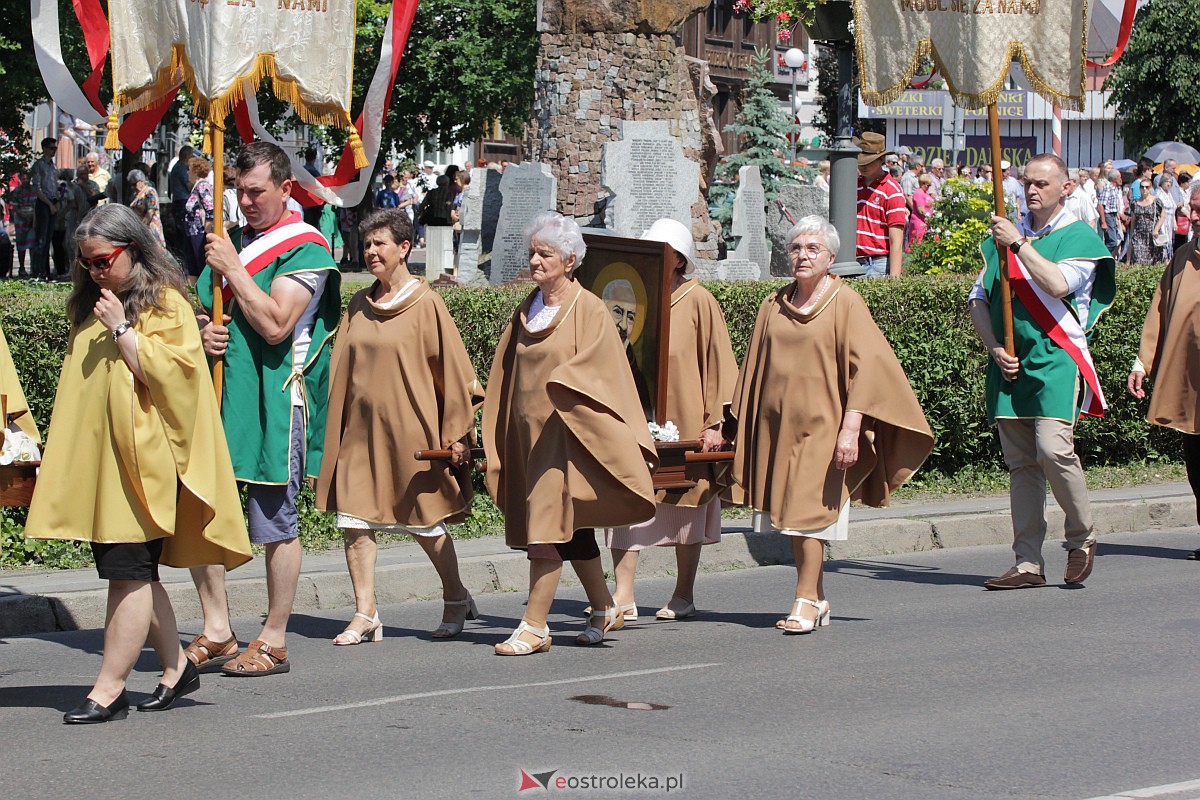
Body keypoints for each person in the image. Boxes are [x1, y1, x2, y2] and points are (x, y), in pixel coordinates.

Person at [24, 204, 251, 723]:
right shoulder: (93, 305)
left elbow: (177, 380)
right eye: (86, 263)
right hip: (106, 470)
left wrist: (124, 329)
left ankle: (109, 688)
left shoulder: (165, 304)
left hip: (145, 469)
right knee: (138, 575)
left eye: (103, 260)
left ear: (134, 250)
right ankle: (176, 668)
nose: (95, 271)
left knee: (126, 575)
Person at [725, 215, 933, 632]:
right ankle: (818, 598)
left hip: (824, 427)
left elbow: (869, 370)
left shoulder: (845, 302)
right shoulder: (773, 303)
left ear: (831, 257)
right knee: (790, 517)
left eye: (812, 249)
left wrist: (851, 429)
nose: (802, 256)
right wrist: (734, 425)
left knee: (807, 515)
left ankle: (803, 600)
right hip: (778, 428)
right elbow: (753, 369)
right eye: (797, 248)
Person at [191, 141, 341, 676]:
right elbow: (211, 315)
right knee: (202, 508)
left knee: (273, 518)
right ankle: (217, 628)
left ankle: (274, 637)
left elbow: (277, 323)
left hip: (276, 400)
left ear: (284, 188)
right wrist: (203, 333)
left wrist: (231, 265)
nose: (246, 201)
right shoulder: (237, 244)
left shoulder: (306, 247)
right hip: (224, 396)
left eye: (256, 191)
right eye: (239, 191)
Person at [483, 210, 657, 655]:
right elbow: (509, 370)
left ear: (571, 260)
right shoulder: (529, 308)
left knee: (545, 527)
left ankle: (535, 626)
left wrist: (564, 387)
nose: (536, 262)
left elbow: (601, 370)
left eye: (546, 254)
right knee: (571, 529)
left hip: (567, 437)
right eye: (533, 254)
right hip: (530, 437)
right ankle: (603, 607)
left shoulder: (590, 309)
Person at [316, 209, 484, 644]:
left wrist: (455, 434)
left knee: (425, 523)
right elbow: (342, 369)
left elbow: (452, 370)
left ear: (404, 248)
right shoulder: (358, 304)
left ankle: (455, 596)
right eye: (367, 244)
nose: (371, 251)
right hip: (361, 434)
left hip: (412, 435)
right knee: (353, 521)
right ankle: (365, 612)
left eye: (380, 244)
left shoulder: (426, 303)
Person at [969, 154, 1116, 589]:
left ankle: (1082, 537)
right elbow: (979, 299)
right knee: (1021, 465)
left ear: (1065, 187)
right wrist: (994, 347)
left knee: (1053, 450)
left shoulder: (1079, 237)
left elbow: (1056, 284)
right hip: (1010, 363)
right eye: (1026, 182)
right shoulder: (1000, 238)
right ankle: (1028, 562)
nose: (1031, 191)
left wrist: (1017, 244)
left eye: (1042, 184)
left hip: (1056, 358)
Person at [603, 219, 737, 621]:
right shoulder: (633, 300)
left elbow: (719, 365)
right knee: (627, 501)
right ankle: (623, 593)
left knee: (685, 503)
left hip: (686, 418)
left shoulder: (699, 301)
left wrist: (714, 424)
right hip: (635, 419)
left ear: (677, 259)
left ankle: (683, 593)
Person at [1128, 183, 1200, 560]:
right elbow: (1159, 312)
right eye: (1194, 207)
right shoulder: (1183, 258)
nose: (1196, 215)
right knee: (1196, 465)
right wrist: (1143, 361)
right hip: (1190, 384)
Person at [854, 132, 907, 278]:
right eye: (861, 160)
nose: (863, 165)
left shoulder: (892, 190)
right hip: (854, 261)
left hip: (877, 264)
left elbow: (896, 240)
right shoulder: (853, 184)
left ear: (881, 160)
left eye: (868, 161)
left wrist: (894, 279)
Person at [182, 157, 215, 285]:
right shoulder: (197, 187)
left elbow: (210, 207)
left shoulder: (202, 186)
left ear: (195, 171)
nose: (187, 173)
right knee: (192, 266)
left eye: (189, 170)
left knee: (200, 265)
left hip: (199, 233)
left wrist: (208, 225)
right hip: (192, 232)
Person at [30, 137, 59, 279]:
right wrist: (49, 204)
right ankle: (38, 271)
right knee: (41, 239)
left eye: (55, 148)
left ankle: (46, 271)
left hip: (52, 202)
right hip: (44, 204)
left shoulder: (53, 166)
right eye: (51, 148)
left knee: (48, 239)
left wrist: (56, 201)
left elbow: (54, 186)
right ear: (44, 149)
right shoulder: (39, 165)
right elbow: (37, 189)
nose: (54, 151)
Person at [1127, 175, 1165, 265]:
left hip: (1152, 234)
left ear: (1150, 188)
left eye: (1147, 187)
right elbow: (1133, 219)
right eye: (1142, 187)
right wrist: (1132, 234)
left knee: (1152, 261)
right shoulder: (1135, 203)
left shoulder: (1156, 201)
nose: (1144, 189)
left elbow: (1163, 216)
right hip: (1138, 234)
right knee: (1138, 259)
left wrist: (1156, 229)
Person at [127, 169, 166, 250]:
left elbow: (150, 212)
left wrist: (141, 228)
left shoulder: (150, 192)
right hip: (140, 230)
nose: (132, 187)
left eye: (134, 184)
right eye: (131, 185)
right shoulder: (136, 194)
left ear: (142, 181)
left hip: (150, 230)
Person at [11, 173, 36, 277]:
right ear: (20, 179)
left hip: (32, 219)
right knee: (21, 245)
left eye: (27, 178)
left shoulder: (34, 190)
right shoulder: (17, 191)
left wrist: (33, 217)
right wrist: (24, 216)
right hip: (21, 220)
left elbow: (36, 205)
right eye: (23, 179)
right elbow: (14, 207)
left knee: (32, 244)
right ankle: (21, 268)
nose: (26, 180)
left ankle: (33, 268)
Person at [1097, 169, 1124, 257]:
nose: (1121, 179)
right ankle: (1102, 256)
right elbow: (1101, 205)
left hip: (1112, 216)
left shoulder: (1115, 189)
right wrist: (1103, 222)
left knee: (1113, 240)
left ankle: (1105, 258)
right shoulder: (1107, 188)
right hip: (1107, 215)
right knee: (1112, 241)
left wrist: (1116, 219)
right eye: (1120, 177)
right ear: (1115, 178)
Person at [907, 172, 934, 249]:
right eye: (928, 185)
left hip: (926, 223)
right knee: (918, 245)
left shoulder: (926, 193)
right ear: (922, 183)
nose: (929, 187)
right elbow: (921, 210)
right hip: (919, 223)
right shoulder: (918, 193)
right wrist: (931, 219)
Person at [1173, 172, 1192, 252]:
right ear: (1182, 182)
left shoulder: (1186, 192)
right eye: (1187, 182)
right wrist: (1189, 215)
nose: (1189, 184)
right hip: (1182, 218)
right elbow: (1180, 207)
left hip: (1187, 218)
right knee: (1180, 241)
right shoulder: (1179, 192)